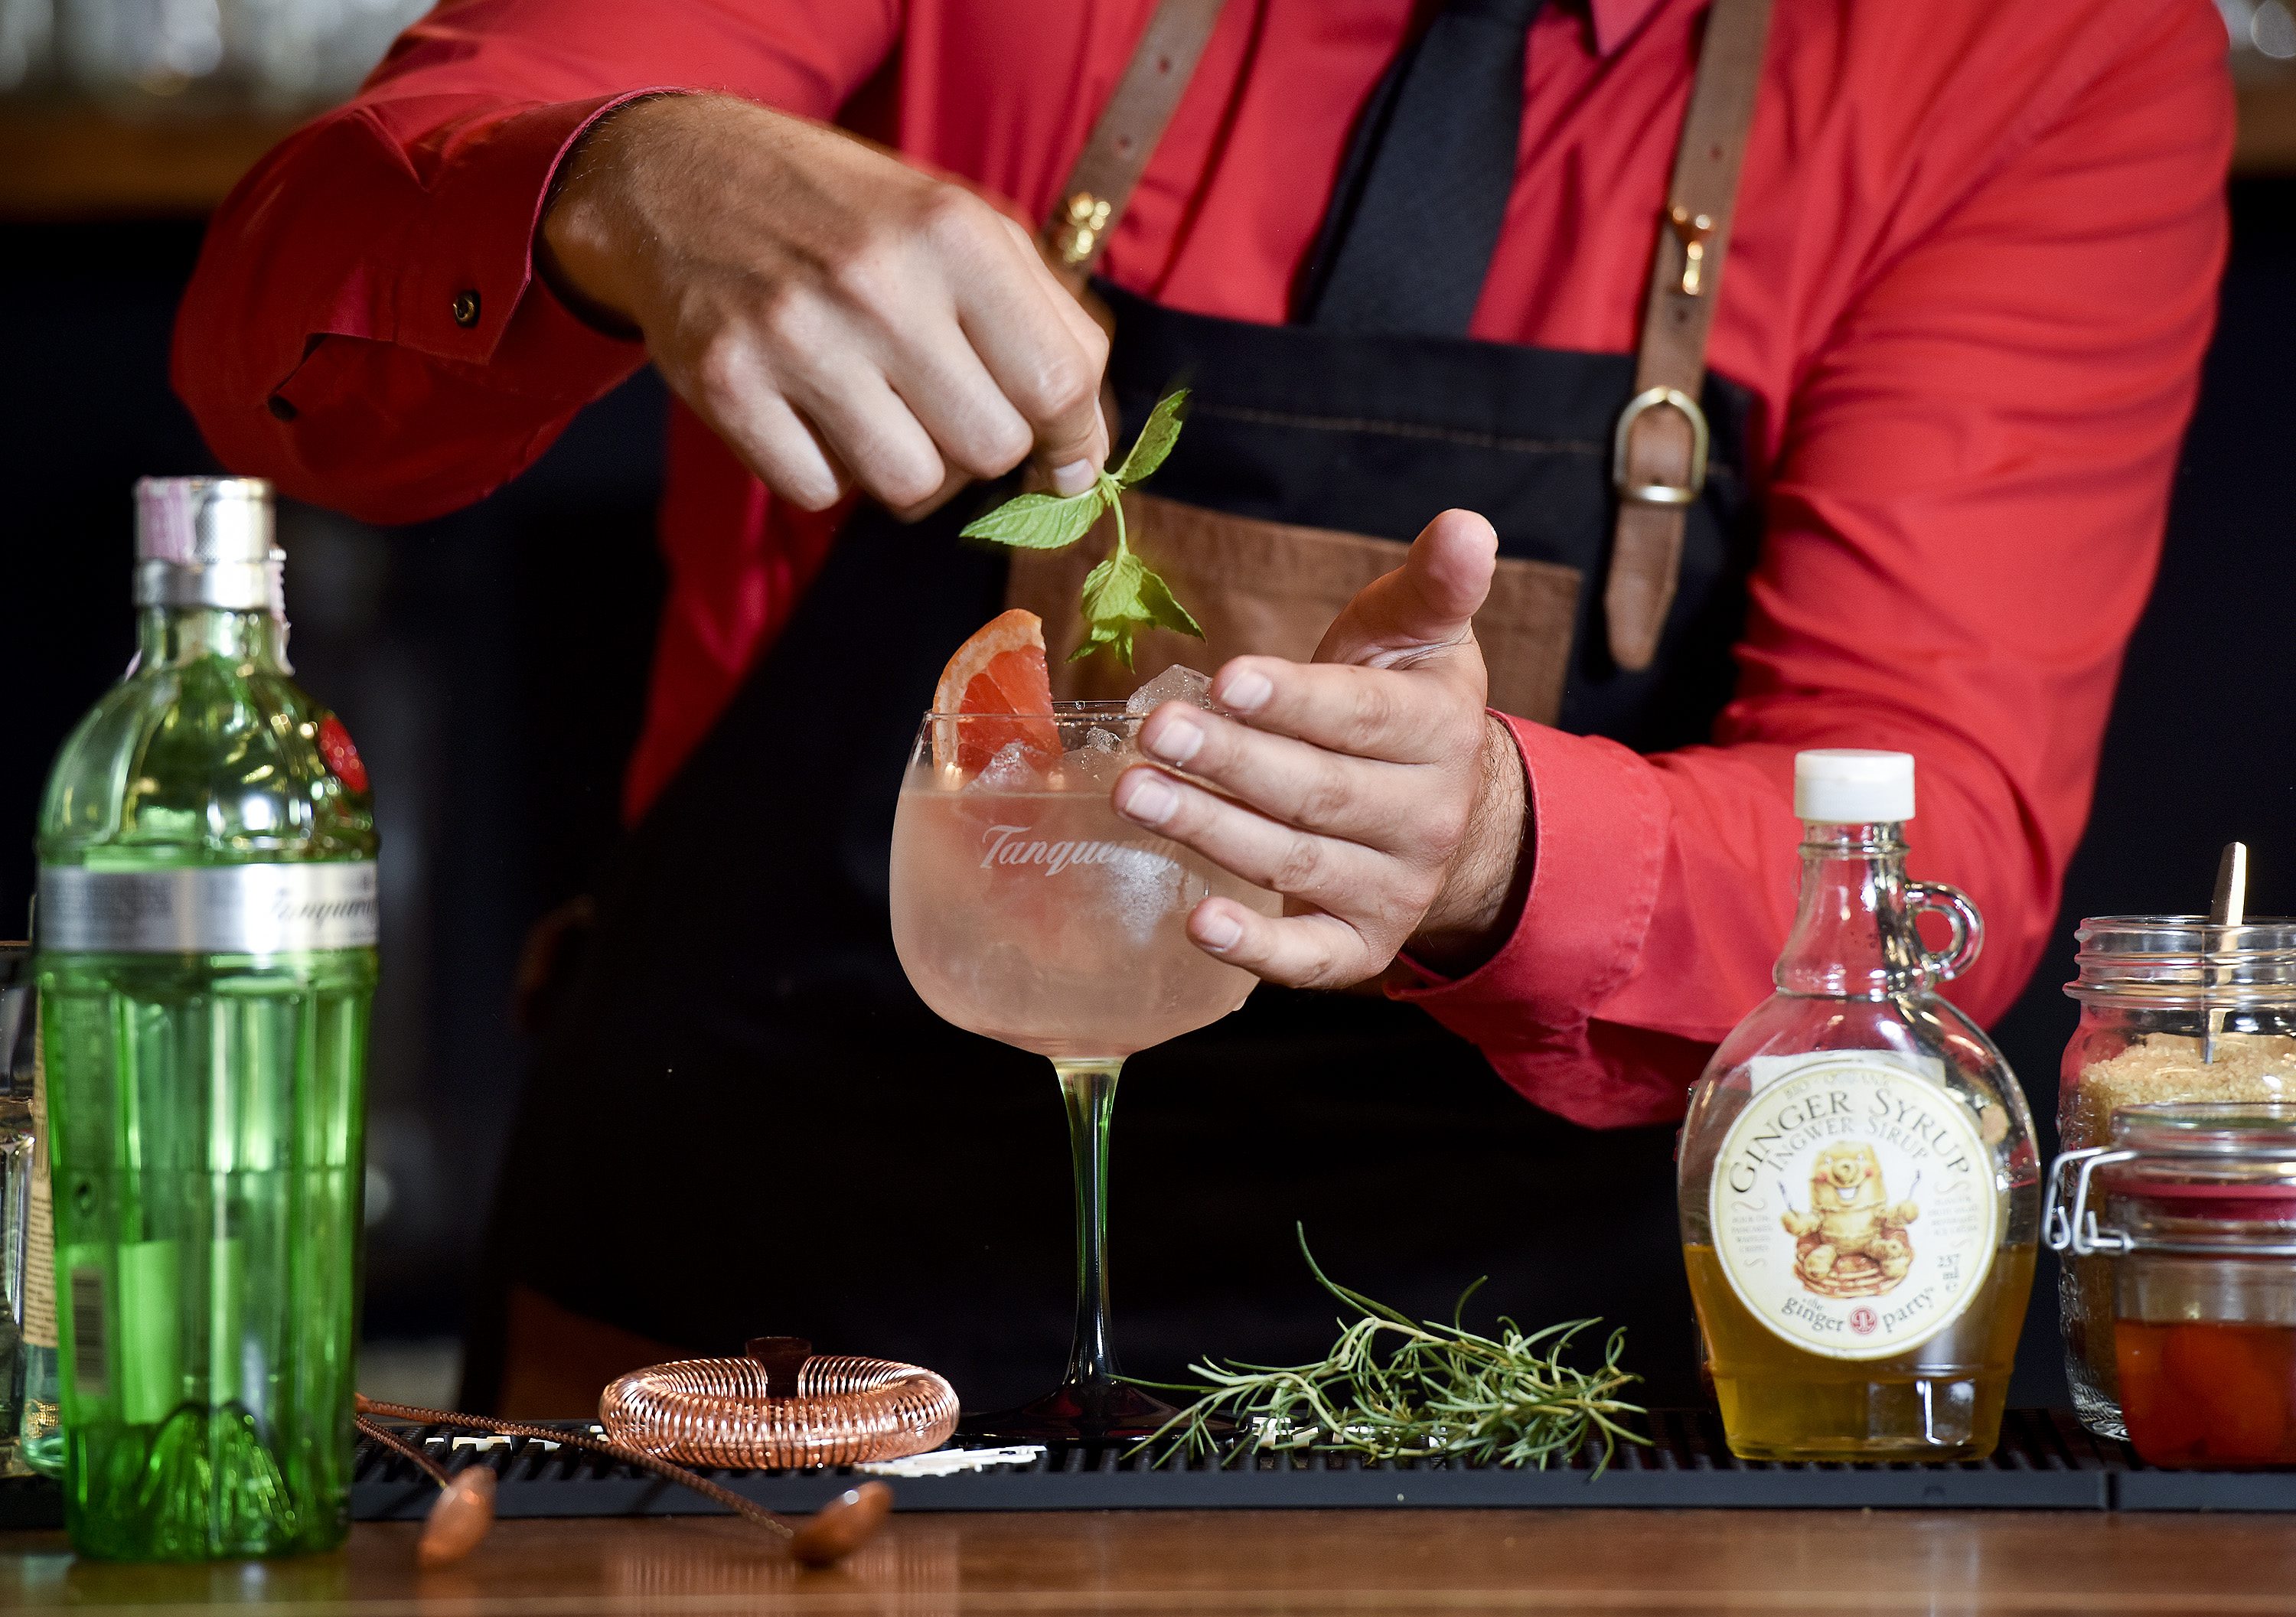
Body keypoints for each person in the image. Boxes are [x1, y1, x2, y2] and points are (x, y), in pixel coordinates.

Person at [173, 0, 2230, 1416]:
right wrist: (623, 179)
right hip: (735, 1394)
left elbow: (1920, 844)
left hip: (1516, 1449)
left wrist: (1499, 848)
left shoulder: (2039, 46)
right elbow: (289, 356)